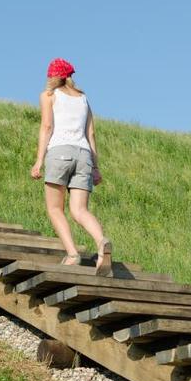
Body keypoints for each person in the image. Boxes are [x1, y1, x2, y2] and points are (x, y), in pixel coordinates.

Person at [30, 57, 113, 276]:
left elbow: (47, 126)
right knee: (80, 210)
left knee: (55, 208)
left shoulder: (48, 96)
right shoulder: (83, 99)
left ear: (53, 76)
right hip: (84, 155)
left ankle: (73, 254)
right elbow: (91, 133)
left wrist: (39, 160)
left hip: (60, 153)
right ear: (69, 76)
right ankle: (102, 243)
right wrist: (95, 167)